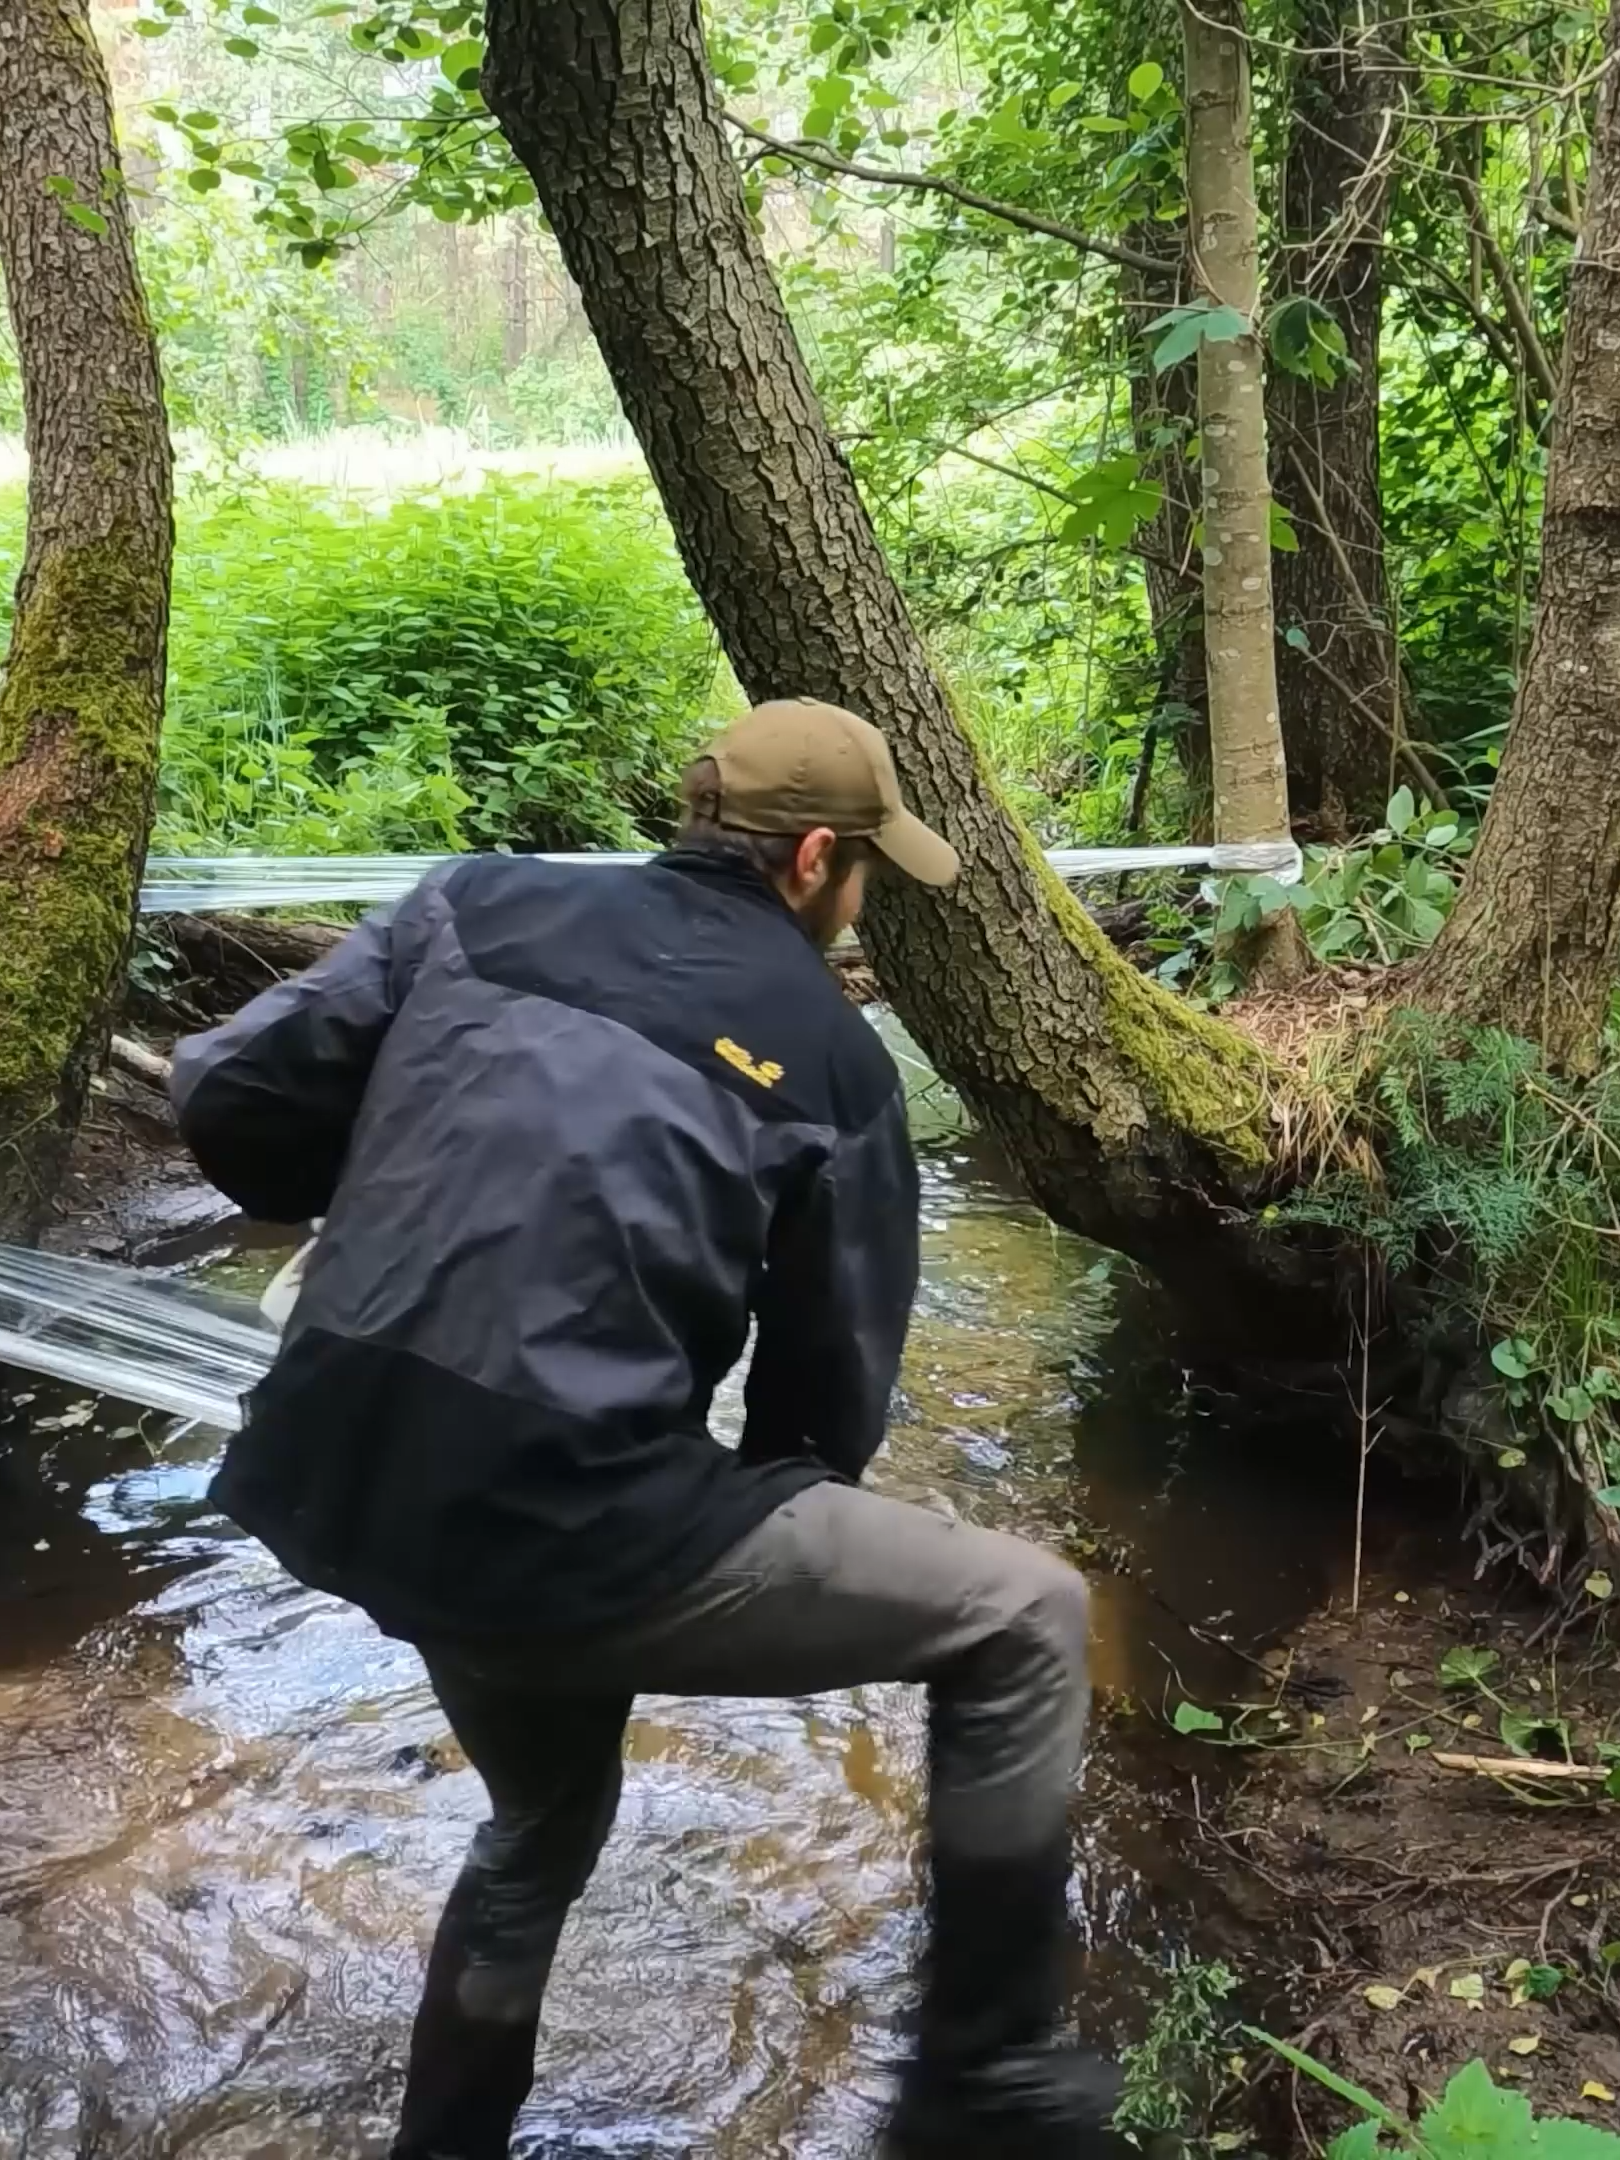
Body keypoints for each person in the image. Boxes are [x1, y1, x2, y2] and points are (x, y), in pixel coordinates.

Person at [170, 697, 1125, 2159]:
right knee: (1025, 1614)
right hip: (556, 1513)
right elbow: (821, 1420)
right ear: (816, 859)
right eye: (867, 873)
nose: (859, 901)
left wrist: (396, 1188)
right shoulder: (837, 1062)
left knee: (540, 1828)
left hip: (342, 1471)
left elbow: (228, 1094)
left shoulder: (471, 901)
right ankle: (984, 2081)